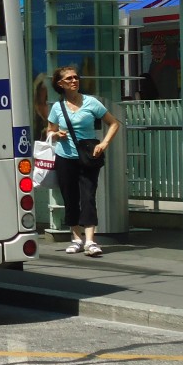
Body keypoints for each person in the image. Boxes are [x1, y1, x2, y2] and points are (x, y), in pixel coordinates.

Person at [46, 65, 121, 258]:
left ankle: (90, 241)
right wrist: (56, 134)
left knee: (88, 196)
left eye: (76, 78)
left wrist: (104, 143)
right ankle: (76, 239)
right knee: (70, 197)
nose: (74, 81)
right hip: (65, 158)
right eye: (69, 79)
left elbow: (114, 123)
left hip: (88, 157)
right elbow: (49, 131)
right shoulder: (57, 107)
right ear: (60, 84)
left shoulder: (91, 102)